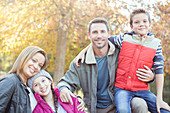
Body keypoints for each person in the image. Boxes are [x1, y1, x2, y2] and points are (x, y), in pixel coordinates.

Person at [57, 18, 154, 113]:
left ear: (108, 34)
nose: (99, 36)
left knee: (140, 103)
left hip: (121, 104)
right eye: (95, 32)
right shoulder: (81, 61)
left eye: (102, 31)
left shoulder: (121, 53)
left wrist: (151, 76)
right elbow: (66, 81)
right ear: (89, 35)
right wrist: (63, 88)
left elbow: (140, 62)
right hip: (93, 109)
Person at [0, 46, 48, 113]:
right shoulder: (10, 81)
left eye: (40, 65)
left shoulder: (30, 88)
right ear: (24, 58)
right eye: (34, 60)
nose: (36, 66)